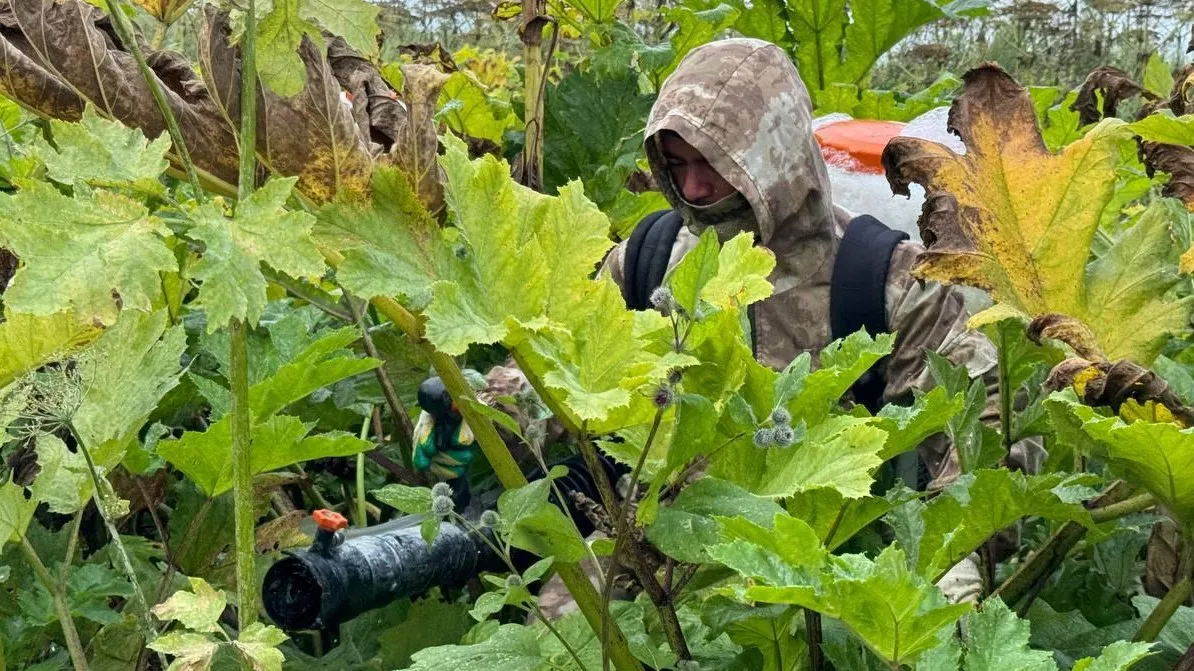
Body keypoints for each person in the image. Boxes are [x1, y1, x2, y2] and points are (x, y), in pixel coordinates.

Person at [414, 37, 1040, 616]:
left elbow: (981, 446)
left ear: (777, 155)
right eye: (677, 163)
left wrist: (945, 594)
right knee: (563, 644)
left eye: (714, 163)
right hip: (644, 544)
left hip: (821, 578)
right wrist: (488, 414)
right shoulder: (649, 257)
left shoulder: (886, 283)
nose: (694, 187)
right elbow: (570, 366)